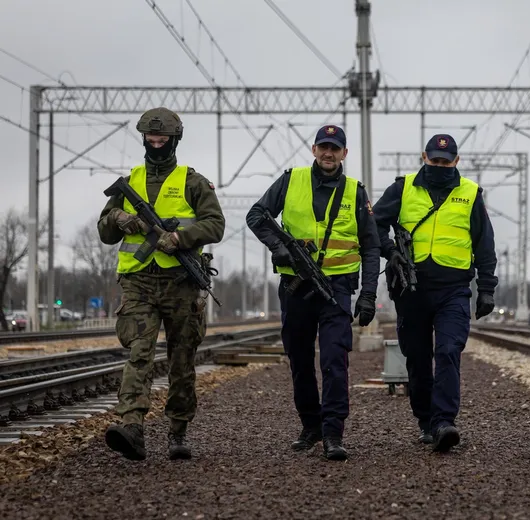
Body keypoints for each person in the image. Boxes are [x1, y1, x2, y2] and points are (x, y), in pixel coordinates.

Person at [97, 107, 225, 461]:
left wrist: (180, 238)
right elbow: (104, 229)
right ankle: (132, 427)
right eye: (150, 140)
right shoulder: (131, 180)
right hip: (138, 282)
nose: (155, 145)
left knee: (181, 361)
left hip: (181, 283)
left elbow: (215, 224)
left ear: (174, 140)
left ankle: (178, 431)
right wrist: (119, 217)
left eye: (162, 140)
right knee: (139, 353)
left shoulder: (193, 182)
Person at [246, 125, 380, 461]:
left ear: (344, 153)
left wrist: (368, 293)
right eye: (323, 147)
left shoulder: (355, 191)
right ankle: (311, 425)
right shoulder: (291, 181)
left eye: (335, 148)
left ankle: (334, 432)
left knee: (335, 358)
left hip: (337, 289)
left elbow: (371, 245)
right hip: (296, 286)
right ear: (314, 149)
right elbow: (256, 215)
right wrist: (278, 247)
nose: (328, 153)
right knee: (299, 359)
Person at [371, 133, 497, 453]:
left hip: (453, 289)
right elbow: (373, 225)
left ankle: (444, 421)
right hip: (411, 289)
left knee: (448, 351)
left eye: (446, 161)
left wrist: (486, 289)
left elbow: (484, 244)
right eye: (434, 160)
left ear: (456, 161)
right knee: (417, 357)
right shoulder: (402, 188)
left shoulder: (470, 194)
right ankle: (425, 419)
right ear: (424, 157)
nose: (440, 165)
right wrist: (391, 251)